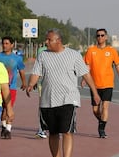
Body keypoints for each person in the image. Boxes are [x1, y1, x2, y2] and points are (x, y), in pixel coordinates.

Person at [26, 28, 100, 157]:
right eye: (46, 39)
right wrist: (30, 84)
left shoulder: (74, 55)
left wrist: (95, 92)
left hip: (68, 98)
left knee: (67, 131)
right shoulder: (43, 55)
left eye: (49, 39)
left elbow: (86, 74)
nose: (46, 42)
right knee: (53, 133)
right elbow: (36, 73)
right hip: (48, 100)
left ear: (58, 41)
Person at [82, 28, 119, 138]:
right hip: (94, 85)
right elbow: (87, 66)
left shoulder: (112, 51)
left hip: (107, 84)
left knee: (105, 107)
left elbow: (117, 66)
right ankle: (102, 121)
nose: (100, 37)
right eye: (98, 35)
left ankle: (101, 130)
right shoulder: (91, 51)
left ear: (106, 37)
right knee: (95, 110)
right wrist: (84, 78)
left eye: (102, 35)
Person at [0, 36, 26, 139]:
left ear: (12, 45)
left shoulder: (17, 58)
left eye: (7, 43)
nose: (4, 45)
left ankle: (8, 129)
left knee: (9, 108)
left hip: (11, 87)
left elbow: (21, 71)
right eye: (3, 43)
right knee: (2, 109)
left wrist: (24, 82)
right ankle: (3, 126)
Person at [35, 44, 47, 139]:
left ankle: (57, 129)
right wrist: (34, 81)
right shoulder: (41, 50)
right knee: (42, 106)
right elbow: (38, 66)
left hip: (55, 85)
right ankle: (41, 129)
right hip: (42, 84)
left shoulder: (59, 51)